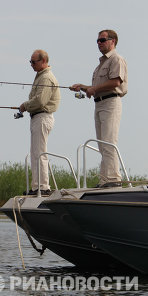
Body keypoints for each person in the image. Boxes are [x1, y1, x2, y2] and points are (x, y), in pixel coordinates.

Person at [70, 29, 128, 188]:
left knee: (109, 142)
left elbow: (115, 82)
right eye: (98, 41)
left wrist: (94, 89)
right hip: (99, 104)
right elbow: (97, 87)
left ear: (113, 41)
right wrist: (83, 87)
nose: (99, 43)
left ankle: (113, 180)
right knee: (102, 144)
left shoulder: (116, 59)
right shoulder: (100, 64)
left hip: (111, 103)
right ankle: (105, 180)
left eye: (102, 40)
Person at [20, 49, 60, 196]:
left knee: (40, 152)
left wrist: (25, 105)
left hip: (43, 117)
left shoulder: (46, 78)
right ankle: (37, 186)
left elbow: (40, 100)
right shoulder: (40, 77)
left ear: (43, 61)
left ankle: (43, 187)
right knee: (36, 153)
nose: (31, 64)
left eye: (33, 61)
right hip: (37, 117)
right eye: (30, 61)